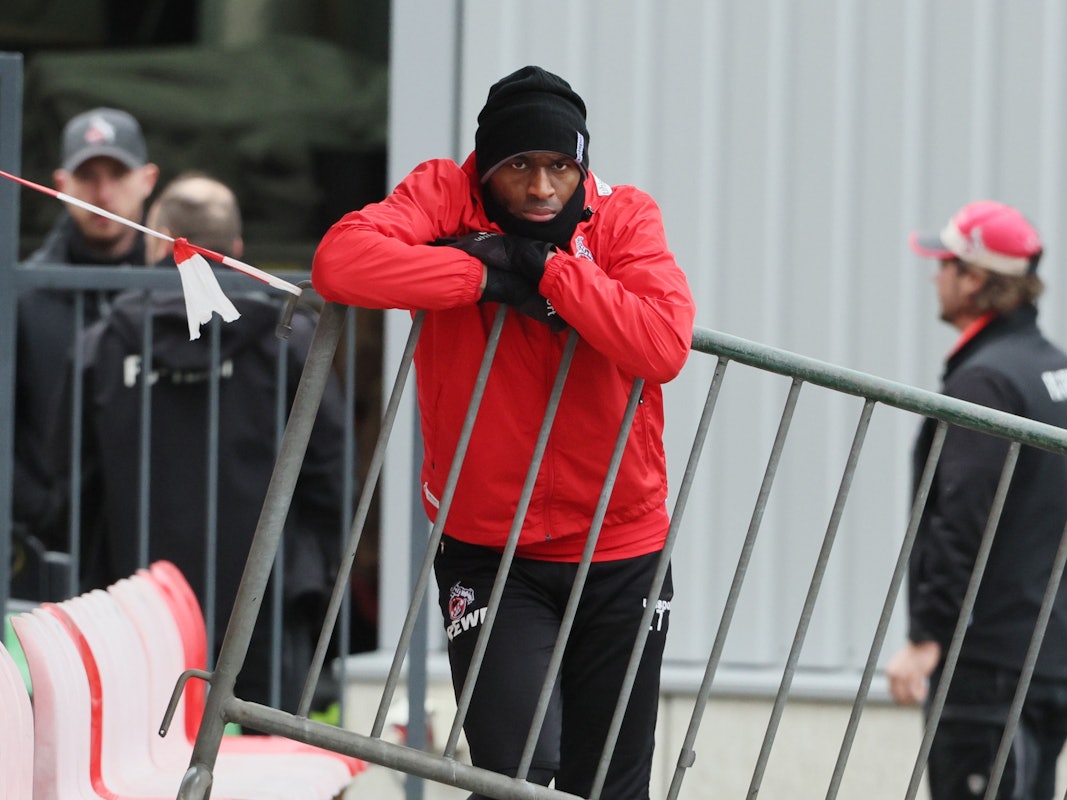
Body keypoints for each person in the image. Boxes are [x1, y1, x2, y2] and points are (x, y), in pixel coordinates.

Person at [312, 65, 695, 798]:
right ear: (486, 168)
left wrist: (547, 272)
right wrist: (481, 276)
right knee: (516, 771)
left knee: (609, 781)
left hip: (619, 543)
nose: (541, 187)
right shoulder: (442, 193)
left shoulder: (623, 216)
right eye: (518, 166)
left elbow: (663, 345)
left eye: (559, 166)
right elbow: (340, 262)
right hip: (489, 548)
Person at [47, 172, 351, 713]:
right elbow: (331, 471)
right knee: (273, 747)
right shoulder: (288, 339)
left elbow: (69, 482)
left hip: (137, 600)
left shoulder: (105, 342)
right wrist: (315, 569)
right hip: (263, 599)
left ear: (158, 243)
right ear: (235, 247)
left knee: (141, 744)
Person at [886, 200, 1067, 800]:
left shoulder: (986, 382)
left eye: (945, 263)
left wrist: (926, 637)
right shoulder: (1055, 373)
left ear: (975, 280)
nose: (934, 276)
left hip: (986, 664)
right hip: (1046, 656)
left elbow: (963, 518)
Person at [13, 107, 160, 567]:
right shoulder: (25, 294)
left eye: (117, 174)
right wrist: (44, 511)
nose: (103, 193)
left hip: (163, 536)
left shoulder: (180, 292)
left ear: (148, 180)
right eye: (87, 176)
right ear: (61, 184)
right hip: (56, 549)